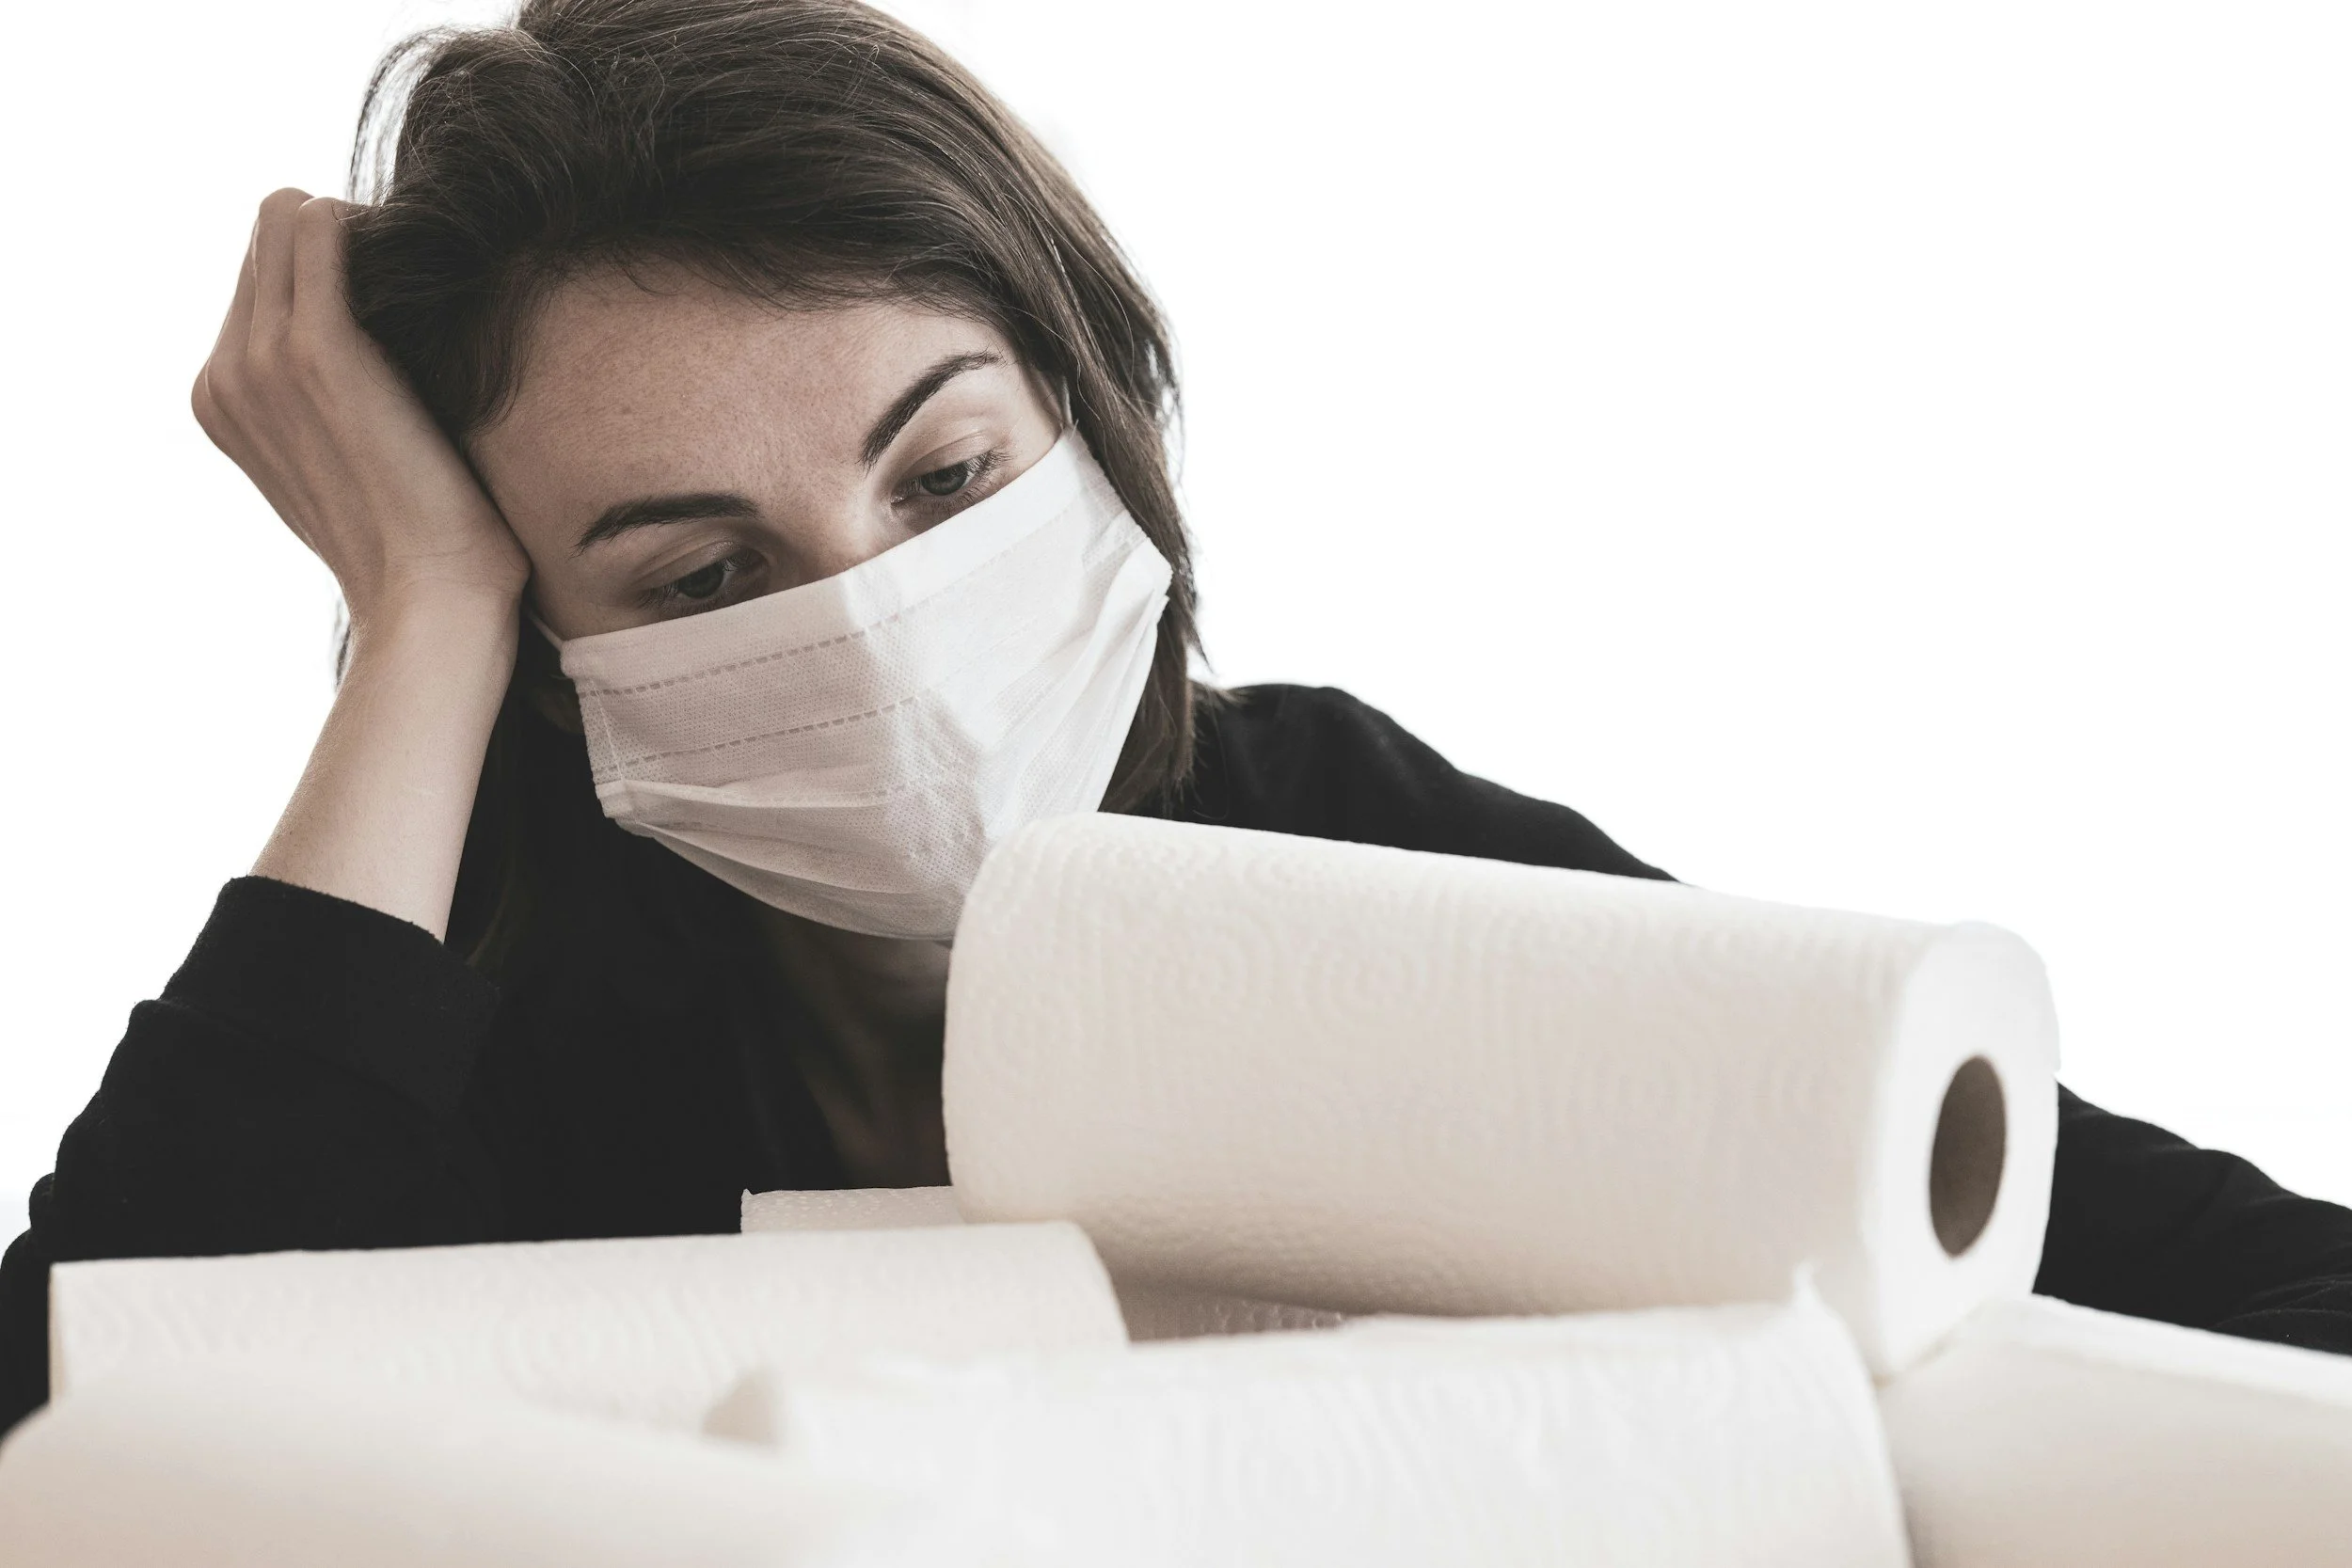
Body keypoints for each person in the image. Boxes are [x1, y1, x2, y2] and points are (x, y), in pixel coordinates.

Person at [4, 0, 2347, 1438]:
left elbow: (2265, 1290)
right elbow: (70, 1445)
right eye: (702, 577)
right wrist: (416, 608)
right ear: (547, 651)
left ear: (1095, 426)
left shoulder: (1337, 852)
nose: (885, 632)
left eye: (946, 475)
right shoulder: (491, 1013)